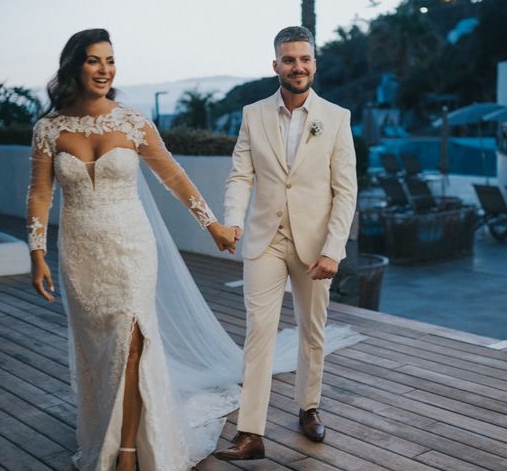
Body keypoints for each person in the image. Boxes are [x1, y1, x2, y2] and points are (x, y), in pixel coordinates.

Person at [26, 28, 242, 470]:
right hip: (80, 250)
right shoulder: (48, 129)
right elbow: (40, 194)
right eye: (93, 60)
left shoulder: (132, 122)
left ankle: (127, 450)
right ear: (74, 66)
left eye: (110, 60)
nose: (104, 70)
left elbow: (175, 176)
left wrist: (212, 225)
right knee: (100, 348)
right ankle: (107, 430)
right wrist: (36, 253)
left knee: (134, 338)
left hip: (131, 246)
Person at [213, 26, 358, 461]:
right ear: (275, 65)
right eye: (289, 59)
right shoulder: (252, 114)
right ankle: (250, 433)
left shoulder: (336, 118)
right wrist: (233, 222)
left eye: (305, 59)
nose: (298, 66)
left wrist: (334, 247)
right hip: (264, 239)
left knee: (313, 331)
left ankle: (307, 407)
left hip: (316, 244)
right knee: (259, 332)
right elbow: (241, 174)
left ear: (314, 63)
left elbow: (346, 190)